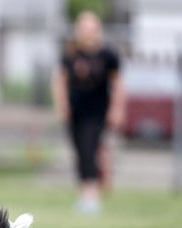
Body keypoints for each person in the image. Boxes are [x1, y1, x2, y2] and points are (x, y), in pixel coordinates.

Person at [52, 11, 125, 214]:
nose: (87, 33)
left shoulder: (108, 55)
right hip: (76, 111)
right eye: (83, 29)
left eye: (90, 29)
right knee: (79, 151)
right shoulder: (71, 53)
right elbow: (60, 81)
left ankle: (92, 196)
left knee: (89, 149)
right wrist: (62, 105)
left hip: (97, 112)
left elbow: (119, 85)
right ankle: (85, 193)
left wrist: (117, 109)